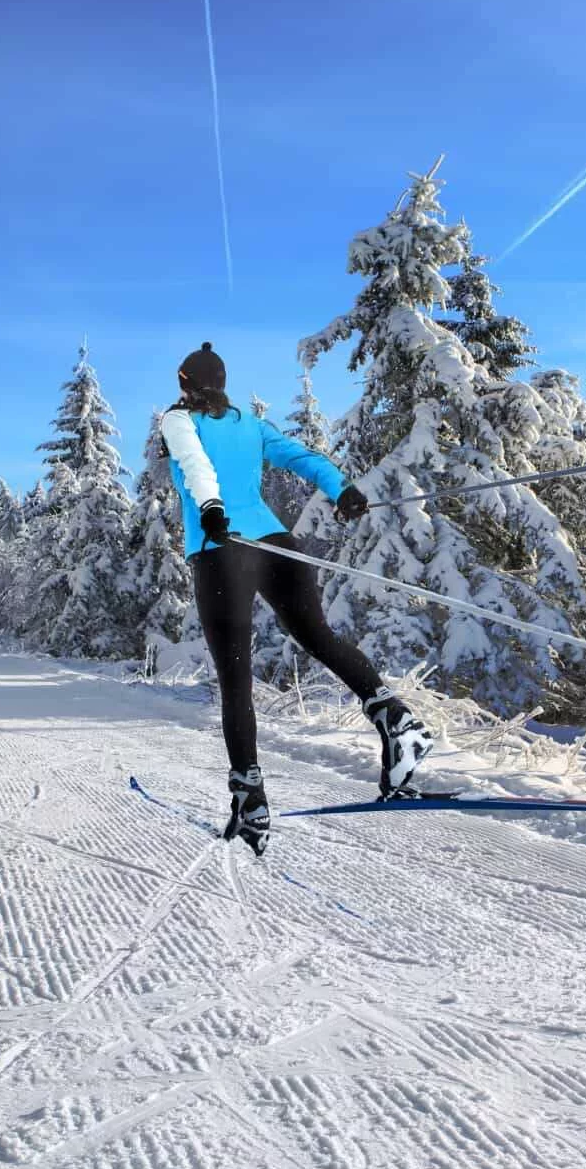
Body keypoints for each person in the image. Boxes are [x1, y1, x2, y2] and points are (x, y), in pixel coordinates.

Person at [160, 342, 434, 855]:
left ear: (184, 384)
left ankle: (250, 798)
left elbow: (196, 465)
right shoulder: (249, 424)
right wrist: (342, 488)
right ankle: (394, 717)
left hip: (224, 549)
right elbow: (299, 456)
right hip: (276, 542)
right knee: (317, 635)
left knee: (235, 676)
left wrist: (213, 507)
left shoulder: (178, 421)